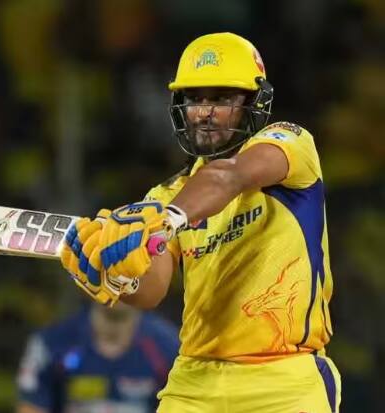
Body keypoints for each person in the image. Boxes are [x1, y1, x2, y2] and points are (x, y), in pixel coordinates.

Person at [60, 32, 342, 413]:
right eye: (195, 99)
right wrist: (115, 277)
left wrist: (166, 219)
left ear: (252, 103)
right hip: (194, 380)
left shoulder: (289, 145)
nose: (204, 112)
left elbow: (229, 176)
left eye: (221, 99)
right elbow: (152, 290)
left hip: (284, 376)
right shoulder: (166, 194)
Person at [16, 302, 179, 413]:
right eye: (108, 269)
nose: (120, 280)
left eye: (130, 271)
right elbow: (31, 406)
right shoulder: (50, 344)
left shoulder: (172, 349)